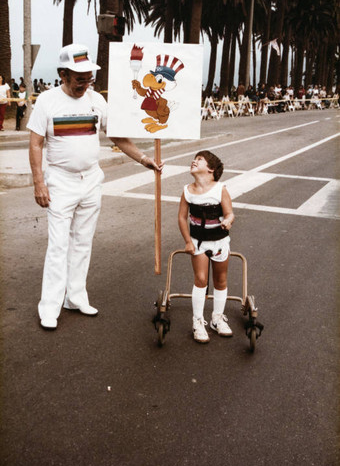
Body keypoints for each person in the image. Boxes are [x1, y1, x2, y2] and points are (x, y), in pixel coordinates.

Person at [28, 43, 163, 330]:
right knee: (58, 245)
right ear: (62, 74)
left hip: (90, 180)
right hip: (60, 182)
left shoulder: (96, 101)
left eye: (88, 77)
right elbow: (36, 142)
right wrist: (39, 182)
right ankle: (50, 307)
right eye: (79, 78)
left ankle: (75, 297)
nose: (85, 83)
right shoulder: (47, 101)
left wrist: (143, 159)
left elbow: (118, 137)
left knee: (82, 242)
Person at [178, 150, 235, 343]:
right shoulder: (187, 191)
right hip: (198, 242)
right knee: (201, 279)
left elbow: (230, 213)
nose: (194, 161)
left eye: (199, 160)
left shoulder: (220, 189)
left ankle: (217, 318)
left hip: (219, 241)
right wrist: (187, 240)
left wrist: (228, 221)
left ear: (210, 169)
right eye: (194, 159)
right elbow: (181, 217)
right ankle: (198, 321)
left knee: (220, 279)